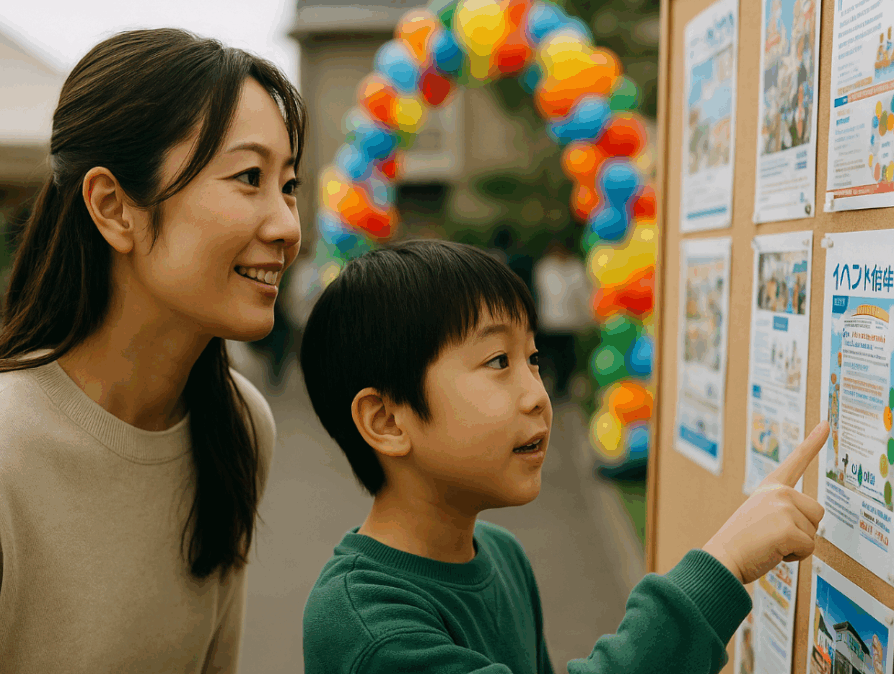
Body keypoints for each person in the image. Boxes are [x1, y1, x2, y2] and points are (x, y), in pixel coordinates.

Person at [0, 27, 305, 672]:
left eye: (290, 184)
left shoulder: (241, 425)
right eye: (249, 177)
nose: (286, 225)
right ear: (113, 207)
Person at [299, 239, 829, 674]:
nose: (536, 394)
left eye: (532, 359)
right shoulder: (362, 621)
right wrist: (722, 566)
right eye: (498, 360)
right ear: (387, 421)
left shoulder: (501, 555)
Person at [533, 238, 593, 398]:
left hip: (569, 323)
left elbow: (582, 295)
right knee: (551, 358)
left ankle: (561, 388)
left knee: (565, 359)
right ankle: (554, 386)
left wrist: (588, 318)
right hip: (550, 322)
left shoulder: (573, 268)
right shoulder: (546, 267)